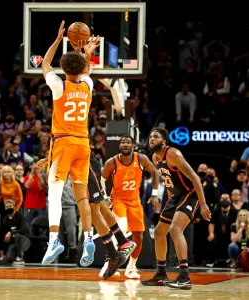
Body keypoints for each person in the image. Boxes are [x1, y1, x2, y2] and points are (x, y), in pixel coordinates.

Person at [40, 20, 101, 267]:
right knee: (82, 197)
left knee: (54, 193)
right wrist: (86, 51)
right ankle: (88, 236)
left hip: (63, 143)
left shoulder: (58, 85)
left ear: (63, 68)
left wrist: (58, 40)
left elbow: (45, 63)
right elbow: (85, 70)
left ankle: (54, 240)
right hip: (83, 144)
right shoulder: (87, 85)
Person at [36, 153, 136, 279]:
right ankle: (114, 252)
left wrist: (48, 159)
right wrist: (48, 159)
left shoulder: (72, 136)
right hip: (78, 164)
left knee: (98, 208)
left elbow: (67, 145)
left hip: (86, 163)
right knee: (96, 212)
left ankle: (122, 242)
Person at [141, 127, 211, 290]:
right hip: (176, 196)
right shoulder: (155, 158)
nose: (152, 138)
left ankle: (184, 276)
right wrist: (163, 199)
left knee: (175, 230)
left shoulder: (173, 153)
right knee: (159, 232)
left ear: (164, 141)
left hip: (191, 193)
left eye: (156, 136)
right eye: (150, 136)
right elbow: (169, 180)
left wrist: (202, 203)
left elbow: (194, 177)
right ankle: (161, 273)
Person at [100, 135, 160, 279]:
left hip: (134, 201)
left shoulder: (141, 159)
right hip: (118, 199)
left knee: (138, 236)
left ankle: (131, 268)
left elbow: (154, 172)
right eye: (123, 143)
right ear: (119, 146)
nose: (125, 145)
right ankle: (108, 264)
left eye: (128, 143)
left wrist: (154, 194)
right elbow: (101, 179)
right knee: (121, 225)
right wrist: (105, 197)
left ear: (132, 145)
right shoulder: (112, 162)